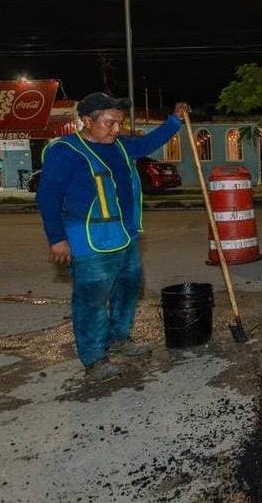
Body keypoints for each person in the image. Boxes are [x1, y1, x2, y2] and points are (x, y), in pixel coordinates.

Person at [36, 93, 189, 380]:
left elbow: (146, 143)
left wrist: (174, 121)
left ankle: (119, 337)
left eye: (119, 123)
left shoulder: (120, 147)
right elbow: (47, 196)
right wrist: (56, 238)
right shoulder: (65, 152)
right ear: (86, 121)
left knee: (129, 288)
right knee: (92, 299)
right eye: (109, 123)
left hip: (124, 234)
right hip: (87, 237)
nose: (116, 129)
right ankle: (94, 358)